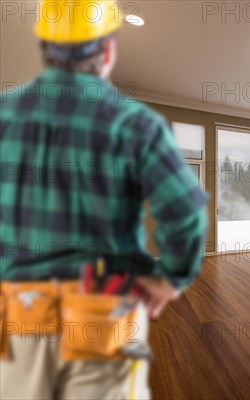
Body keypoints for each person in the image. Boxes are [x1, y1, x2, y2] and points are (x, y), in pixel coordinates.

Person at [0, 1, 209, 398]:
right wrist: (168, 279)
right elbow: (186, 212)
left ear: (44, 46)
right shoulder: (135, 123)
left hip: (16, 309)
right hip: (102, 298)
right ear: (108, 51)